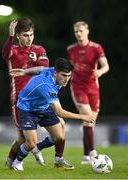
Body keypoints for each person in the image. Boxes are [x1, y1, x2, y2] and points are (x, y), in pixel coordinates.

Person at [9, 58, 95, 171]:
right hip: (27, 108)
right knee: (30, 142)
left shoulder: (52, 71)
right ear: (56, 73)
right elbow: (60, 112)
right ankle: (17, 162)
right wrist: (83, 116)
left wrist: (25, 72)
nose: (66, 79)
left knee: (59, 137)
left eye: (69, 76)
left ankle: (46, 153)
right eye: (64, 75)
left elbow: (41, 68)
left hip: (43, 107)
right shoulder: (46, 85)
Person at [2, 17, 49, 168]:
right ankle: (17, 160)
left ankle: (14, 160)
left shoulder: (38, 49)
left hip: (37, 99)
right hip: (19, 100)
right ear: (18, 35)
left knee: (24, 137)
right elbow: (5, 54)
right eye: (25, 35)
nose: (29, 38)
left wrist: (36, 61)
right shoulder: (13, 50)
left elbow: (46, 68)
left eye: (31, 35)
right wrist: (9, 36)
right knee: (24, 137)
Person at [67, 21, 109, 164]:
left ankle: (85, 156)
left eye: (81, 31)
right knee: (87, 117)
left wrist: (100, 72)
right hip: (78, 87)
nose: (78, 33)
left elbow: (105, 65)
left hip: (93, 88)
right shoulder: (71, 49)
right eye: (76, 31)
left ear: (87, 31)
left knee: (90, 123)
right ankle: (93, 153)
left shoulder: (96, 48)